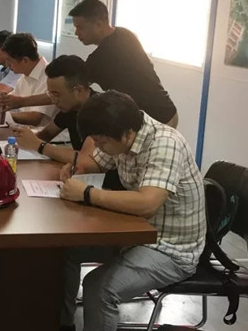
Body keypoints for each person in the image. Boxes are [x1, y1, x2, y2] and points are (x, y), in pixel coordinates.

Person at [59, 91, 204, 331]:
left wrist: (87, 192)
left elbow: (147, 203)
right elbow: (95, 162)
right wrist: (77, 169)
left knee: (99, 288)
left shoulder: (165, 144)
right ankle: (63, 324)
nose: (99, 146)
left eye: (101, 142)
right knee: (65, 251)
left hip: (169, 249)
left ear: (127, 133)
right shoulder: (119, 133)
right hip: (134, 234)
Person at [70, 0, 178, 127]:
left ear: (98, 24)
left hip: (154, 119)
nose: (76, 32)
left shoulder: (101, 57)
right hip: (167, 110)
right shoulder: (125, 33)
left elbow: (72, 86)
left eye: (80, 27)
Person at [14, 55, 95, 163]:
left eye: (57, 94)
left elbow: (86, 159)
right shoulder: (70, 108)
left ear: (79, 91)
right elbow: (46, 134)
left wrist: (40, 145)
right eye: (50, 94)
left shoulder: (99, 110)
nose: (53, 100)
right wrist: (23, 137)